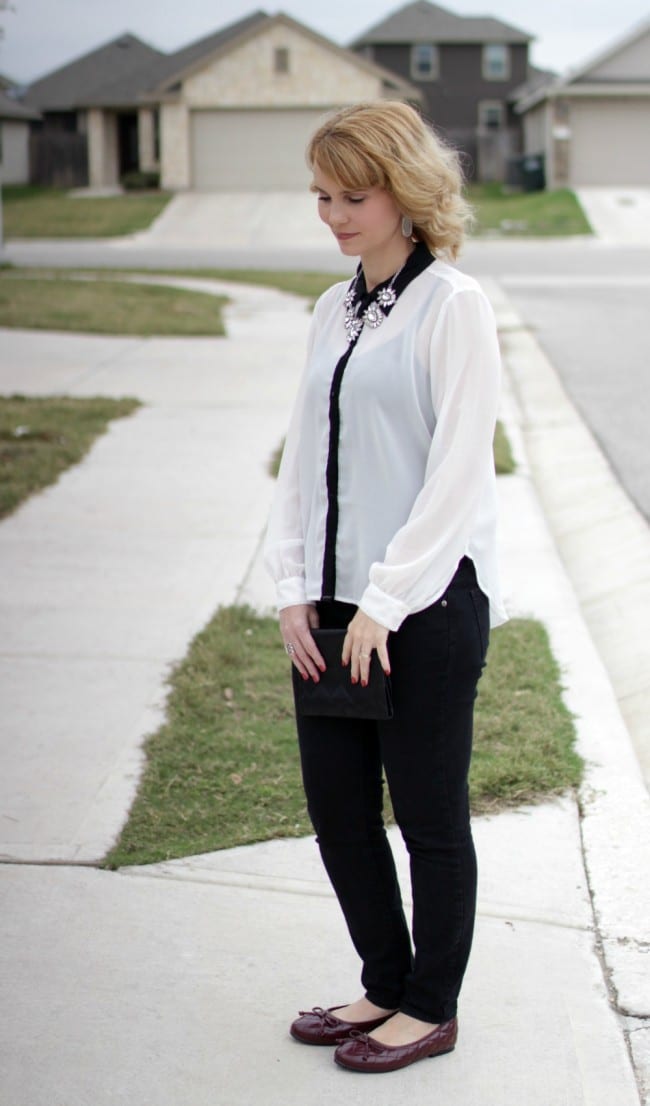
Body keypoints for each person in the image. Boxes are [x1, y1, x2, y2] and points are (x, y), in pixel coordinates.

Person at [264, 100, 507, 1075]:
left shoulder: (453, 305)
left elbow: (457, 470)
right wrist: (292, 587)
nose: (332, 214)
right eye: (321, 194)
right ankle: (380, 979)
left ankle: (428, 1005)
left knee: (427, 814)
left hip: (425, 605)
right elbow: (302, 456)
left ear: (403, 194)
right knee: (337, 810)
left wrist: (384, 599)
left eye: (351, 195)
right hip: (328, 609)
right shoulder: (333, 308)